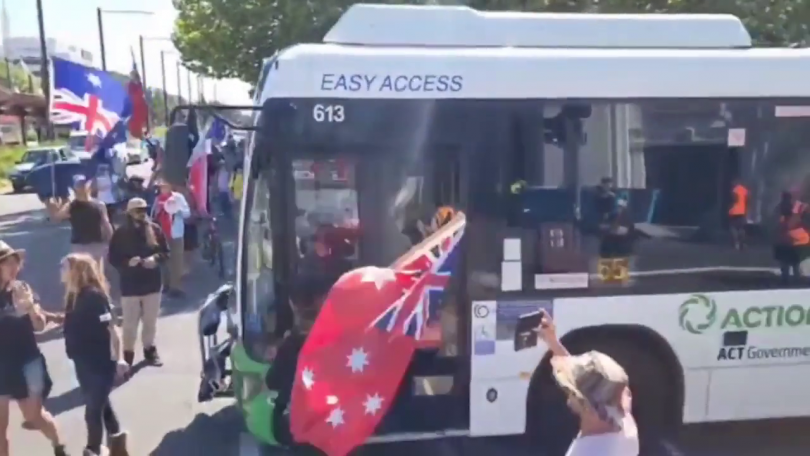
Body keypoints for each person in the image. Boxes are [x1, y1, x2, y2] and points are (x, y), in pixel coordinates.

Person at [535, 310, 639, 456]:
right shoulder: (626, 424)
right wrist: (552, 341)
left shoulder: (587, 452)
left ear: (589, 404)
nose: (569, 390)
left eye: (573, 389)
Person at [0, 241, 68, 456]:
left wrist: (29, 308)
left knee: (33, 416)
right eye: (7, 263)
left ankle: (58, 445)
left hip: (27, 361)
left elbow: (39, 325)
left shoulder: (22, 289)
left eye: (15, 262)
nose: (14, 267)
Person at [60, 253, 130, 456]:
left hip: (100, 365)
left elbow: (112, 328)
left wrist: (121, 359)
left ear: (76, 271)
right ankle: (119, 445)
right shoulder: (74, 296)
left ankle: (93, 450)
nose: (61, 272)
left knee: (92, 411)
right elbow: (77, 322)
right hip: (83, 365)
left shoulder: (93, 296)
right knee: (102, 406)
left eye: (64, 267)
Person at [265, 274, 335, 448]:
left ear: (293, 304)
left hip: (297, 427)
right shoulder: (338, 338)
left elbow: (272, 381)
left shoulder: (291, 344)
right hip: (334, 424)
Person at [108, 198, 170, 367]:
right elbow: (113, 258)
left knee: (150, 321)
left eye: (143, 210)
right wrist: (127, 263)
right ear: (129, 213)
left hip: (152, 283)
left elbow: (165, 252)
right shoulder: (120, 233)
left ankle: (150, 350)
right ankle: (127, 355)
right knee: (129, 323)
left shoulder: (155, 229)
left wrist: (155, 259)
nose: (141, 213)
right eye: (137, 210)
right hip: (130, 284)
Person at [46, 175, 113, 271]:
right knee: (82, 273)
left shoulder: (99, 204)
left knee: (98, 272)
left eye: (84, 184)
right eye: (79, 185)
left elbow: (106, 223)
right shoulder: (71, 206)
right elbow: (58, 218)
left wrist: (112, 240)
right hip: (80, 245)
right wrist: (54, 206)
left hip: (97, 243)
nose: (82, 187)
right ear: (74, 189)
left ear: (88, 186)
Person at [152, 181, 190, 297]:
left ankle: (176, 286)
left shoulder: (178, 197)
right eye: (161, 187)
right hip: (162, 233)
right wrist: (158, 210)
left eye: (165, 186)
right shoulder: (158, 199)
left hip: (176, 232)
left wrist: (177, 210)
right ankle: (166, 284)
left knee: (177, 259)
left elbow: (187, 213)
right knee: (164, 259)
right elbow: (152, 215)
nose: (163, 189)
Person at [774, 191, 810, 285]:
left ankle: (787, 280)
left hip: (787, 240)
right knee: (793, 263)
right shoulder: (794, 209)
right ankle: (793, 280)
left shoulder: (784, 209)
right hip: (791, 241)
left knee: (787, 263)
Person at [728, 179, 749, 250]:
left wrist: (730, 209)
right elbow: (747, 201)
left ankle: (736, 243)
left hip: (734, 211)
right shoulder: (744, 190)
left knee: (733, 227)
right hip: (742, 211)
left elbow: (734, 200)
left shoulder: (734, 190)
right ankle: (742, 243)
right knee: (741, 228)